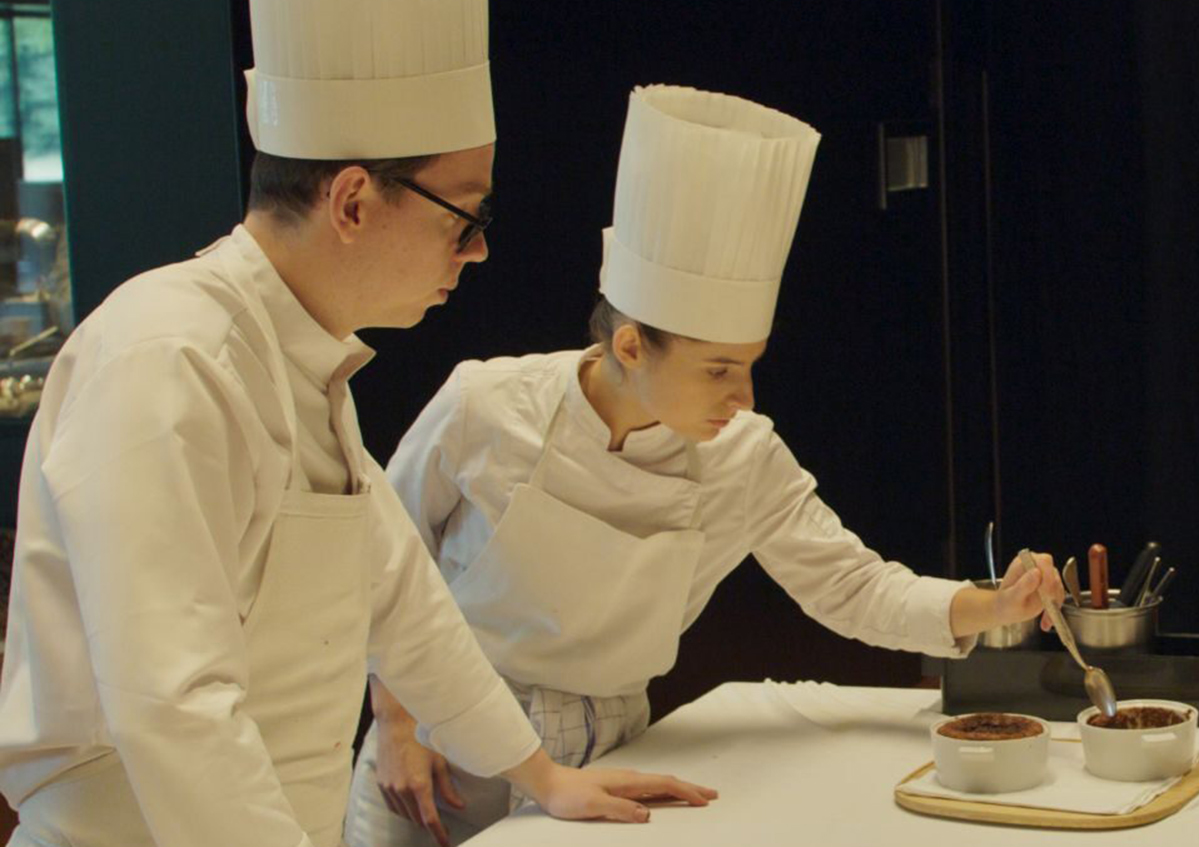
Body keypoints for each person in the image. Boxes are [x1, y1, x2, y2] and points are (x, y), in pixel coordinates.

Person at [0, 3, 712, 845]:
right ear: (351, 201)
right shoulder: (167, 356)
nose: (477, 252)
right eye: (465, 218)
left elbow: (409, 610)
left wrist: (541, 776)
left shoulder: (304, 364)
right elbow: (171, 705)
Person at [342, 85, 1063, 846]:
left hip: (615, 747)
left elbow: (852, 585)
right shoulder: (485, 404)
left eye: (749, 366)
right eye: (718, 371)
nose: (743, 397)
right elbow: (379, 561)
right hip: (441, 746)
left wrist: (991, 606)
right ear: (629, 348)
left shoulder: (743, 455)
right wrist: (394, 717)